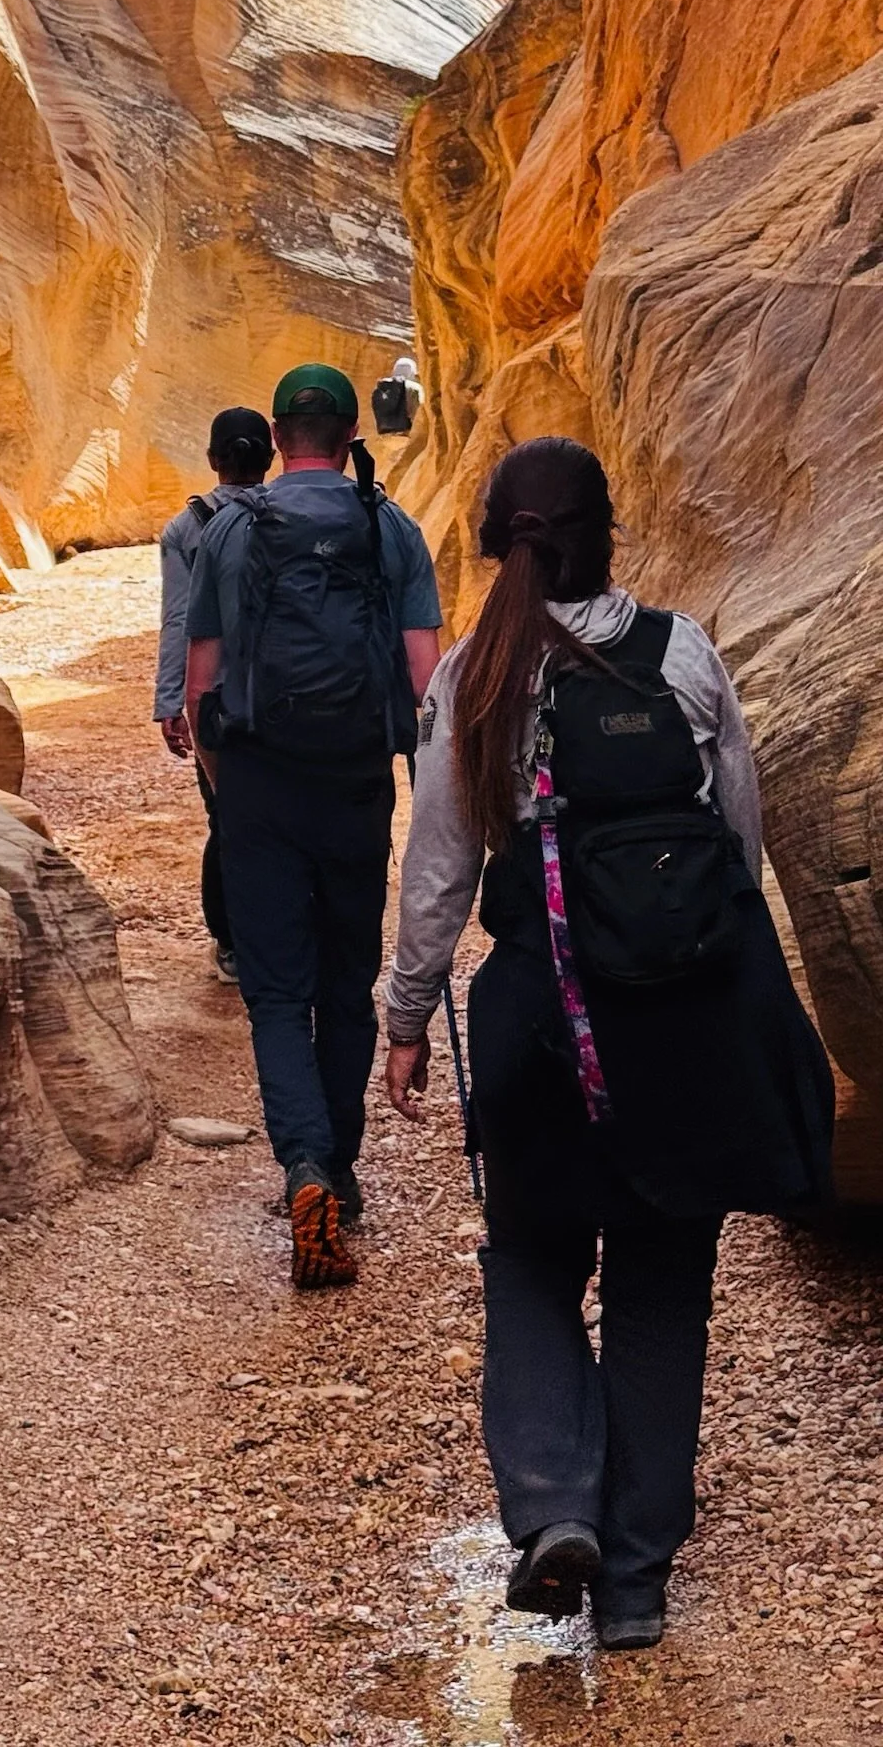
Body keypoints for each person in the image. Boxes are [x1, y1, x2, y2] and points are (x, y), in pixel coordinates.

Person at [383, 437, 833, 1653]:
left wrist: (405, 1016)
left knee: (532, 1262)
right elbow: (733, 844)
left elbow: (438, 868)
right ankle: (635, 1578)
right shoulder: (681, 654)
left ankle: (551, 1511)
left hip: (540, 1020)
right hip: (678, 1023)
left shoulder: (476, 676)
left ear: (495, 541)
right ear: (609, 532)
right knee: (662, 1280)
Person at [184, 364, 443, 1288]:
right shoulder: (390, 526)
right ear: (346, 436)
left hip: (257, 783)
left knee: (274, 994)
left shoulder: (230, 531)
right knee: (346, 980)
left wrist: (230, 788)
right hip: (354, 785)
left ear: (282, 435)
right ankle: (341, 1168)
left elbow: (200, 683)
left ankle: (301, 1164)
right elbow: (425, 682)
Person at [154, 406, 275, 982]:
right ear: (270, 458)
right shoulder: (291, 514)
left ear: (212, 461)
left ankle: (231, 941)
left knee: (227, 815)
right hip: (286, 691)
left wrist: (169, 703)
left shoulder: (187, 529)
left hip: (218, 701)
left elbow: (179, 619)